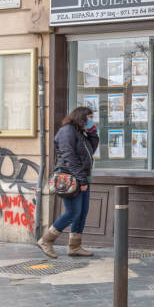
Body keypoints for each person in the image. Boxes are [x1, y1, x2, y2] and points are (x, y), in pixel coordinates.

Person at [38, 107, 99, 258]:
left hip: (81, 178)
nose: (91, 120)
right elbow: (69, 158)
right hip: (70, 179)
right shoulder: (67, 131)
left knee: (82, 213)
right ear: (80, 117)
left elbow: (91, 150)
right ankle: (46, 240)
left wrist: (92, 133)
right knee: (73, 212)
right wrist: (82, 180)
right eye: (89, 118)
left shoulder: (80, 132)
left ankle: (74, 246)